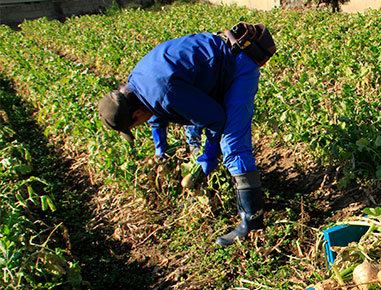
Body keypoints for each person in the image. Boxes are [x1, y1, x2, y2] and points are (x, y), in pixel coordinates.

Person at [98, 23, 276, 246]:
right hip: (207, 73)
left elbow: (215, 118)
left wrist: (210, 157)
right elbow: (155, 114)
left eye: (133, 126)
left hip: (237, 64)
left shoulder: (165, 93)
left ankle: (252, 222)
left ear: (134, 114)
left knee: (232, 145)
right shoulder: (137, 84)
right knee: (192, 128)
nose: (137, 127)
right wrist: (160, 151)